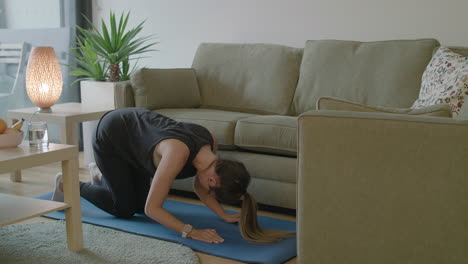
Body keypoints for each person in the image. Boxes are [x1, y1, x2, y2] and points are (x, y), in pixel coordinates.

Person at [52, 108, 294, 244]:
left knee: (135, 204)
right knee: (125, 208)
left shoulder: (210, 147)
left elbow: (202, 189)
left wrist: (224, 215)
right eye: (214, 192)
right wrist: (191, 231)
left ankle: (102, 177)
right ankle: (70, 184)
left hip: (136, 144)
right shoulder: (177, 154)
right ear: (213, 181)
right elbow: (153, 209)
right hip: (112, 136)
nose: (208, 193)